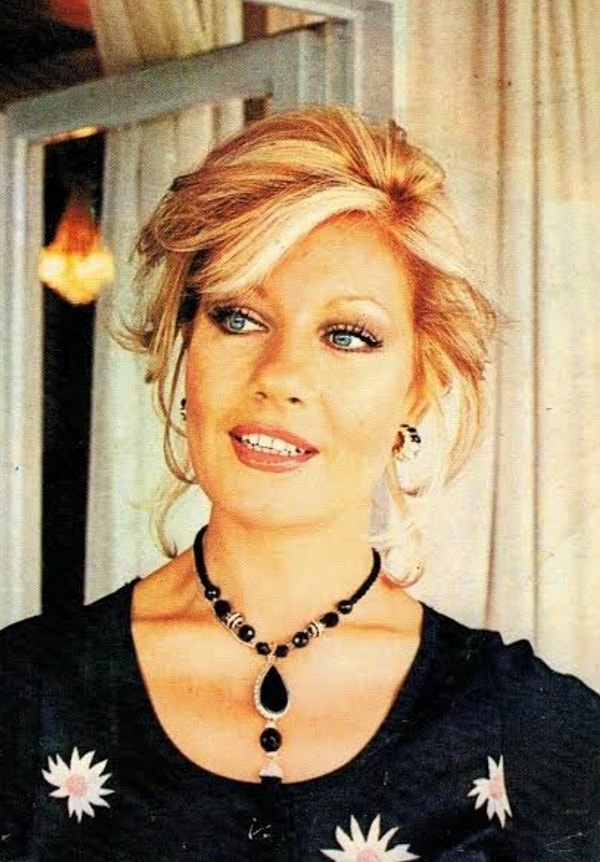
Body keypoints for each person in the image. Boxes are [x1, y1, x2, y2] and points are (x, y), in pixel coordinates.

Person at [1, 106, 599, 862]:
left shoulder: (538, 733)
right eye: (239, 318)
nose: (281, 375)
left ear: (417, 387)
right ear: (186, 347)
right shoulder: (28, 697)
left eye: (348, 335)